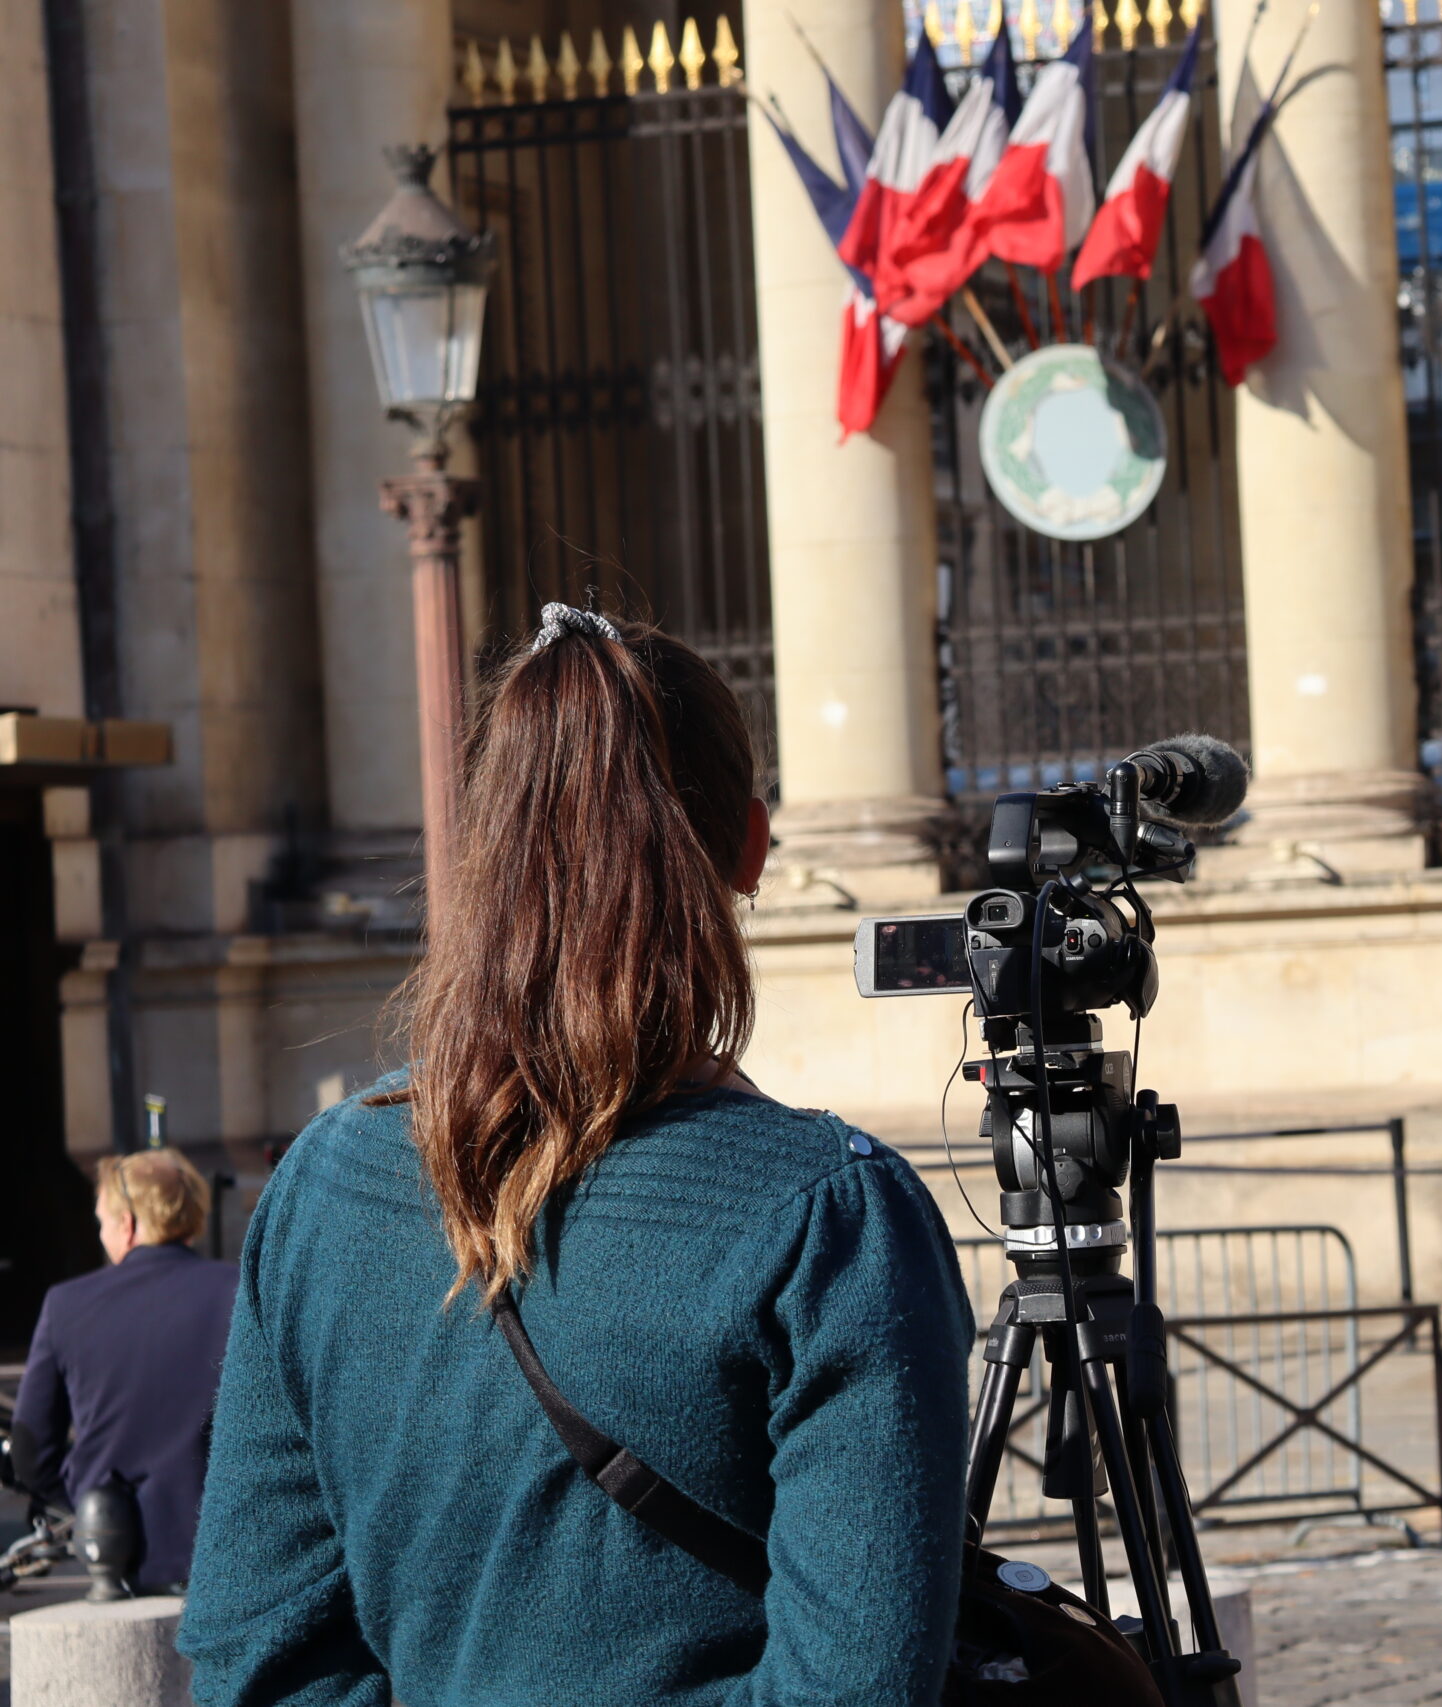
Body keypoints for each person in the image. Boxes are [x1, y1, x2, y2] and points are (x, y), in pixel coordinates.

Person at [179, 607, 976, 1705]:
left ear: (481, 851)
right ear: (749, 847)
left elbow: (254, 1659)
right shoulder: (829, 1218)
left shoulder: (322, 1183)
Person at [10, 1148, 236, 1590]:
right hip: (228, 1553)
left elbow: (30, 1449)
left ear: (128, 1224)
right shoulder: (240, 1291)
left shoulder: (67, 1305)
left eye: (101, 1222)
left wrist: (85, 1496)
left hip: (122, 1557)